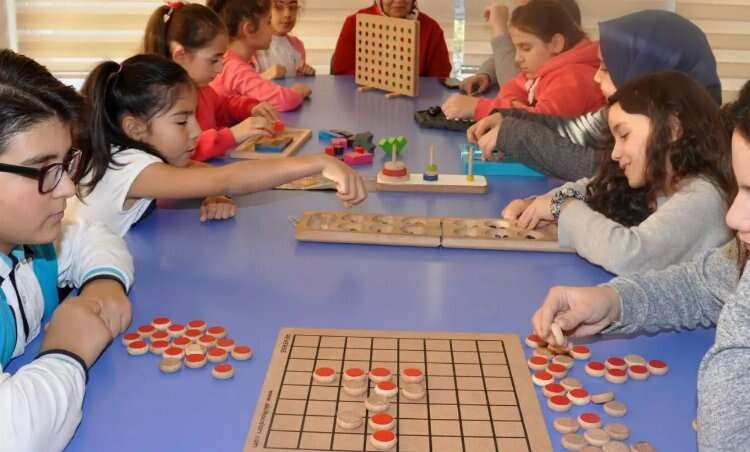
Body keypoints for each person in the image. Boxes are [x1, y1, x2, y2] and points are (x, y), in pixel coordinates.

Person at [532, 79, 750, 452]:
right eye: (741, 189)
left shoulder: (703, 196)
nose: (732, 216)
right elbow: (702, 283)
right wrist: (613, 302)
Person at [66, 54, 367, 237]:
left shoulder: (123, 151)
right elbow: (229, 178)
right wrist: (318, 162)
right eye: (182, 121)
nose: (197, 131)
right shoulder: (130, 167)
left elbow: (199, 172)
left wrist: (210, 190)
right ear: (134, 127)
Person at [0, 49, 134, 451]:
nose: (68, 188)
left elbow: (92, 236)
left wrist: (104, 282)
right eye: (45, 170)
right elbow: (15, 436)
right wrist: (68, 350)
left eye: (66, 164)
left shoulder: (28, 240)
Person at [501, 71, 734, 275]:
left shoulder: (704, 197)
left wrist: (563, 208)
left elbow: (630, 255)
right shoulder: (659, 182)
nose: (615, 153)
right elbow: (595, 190)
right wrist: (538, 206)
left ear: (672, 129)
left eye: (624, 135)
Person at [467, 9, 721, 181]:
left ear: (648, 73)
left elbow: (600, 169)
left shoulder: (683, 142)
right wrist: (507, 118)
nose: (596, 77)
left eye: (607, 69)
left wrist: (514, 134)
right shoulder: (633, 110)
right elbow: (576, 129)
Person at [143, 1, 279, 161]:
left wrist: (250, 107)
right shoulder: (162, 107)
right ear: (181, 56)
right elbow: (183, 152)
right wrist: (231, 135)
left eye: (222, 58)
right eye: (214, 60)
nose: (220, 68)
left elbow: (224, 107)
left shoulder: (203, 89)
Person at [443, 0, 603, 120]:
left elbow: (541, 123)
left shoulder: (573, 79)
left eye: (526, 48)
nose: (517, 58)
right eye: (516, 48)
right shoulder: (543, 67)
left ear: (556, 44)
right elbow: (513, 86)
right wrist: (513, 105)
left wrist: (480, 108)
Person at [208, 0, 312, 112]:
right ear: (249, 29)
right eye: (268, 22)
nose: (272, 29)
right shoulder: (234, 68)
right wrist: (298, 92)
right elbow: (284, 101)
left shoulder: (231, 61)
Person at [331, 0, 452, 78]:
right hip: (364, 101)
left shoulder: (431, 29)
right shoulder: (355, 23)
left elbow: (439, 78)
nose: (399, 1)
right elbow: (342, 74)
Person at [255, 0, 316, 79]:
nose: (287, 14)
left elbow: (296, 82)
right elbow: (242, 82)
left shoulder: (297, 45)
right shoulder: (252, 46)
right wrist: (266, 75)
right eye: (279, 7)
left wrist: (306, 74)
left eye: (292, 7)